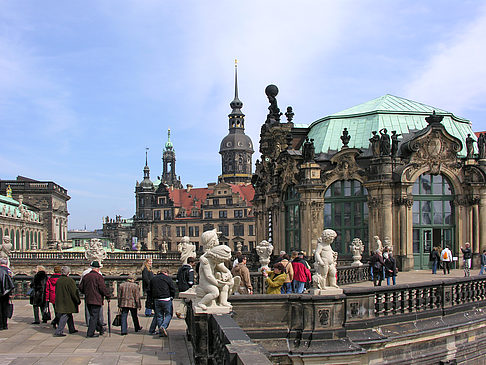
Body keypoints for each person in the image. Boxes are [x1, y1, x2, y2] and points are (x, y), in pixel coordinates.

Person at [79, 261, 110, 338]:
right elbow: (102, 288)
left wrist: (86, 292)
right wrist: (107, 296)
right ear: (98, 268)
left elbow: (80, 287)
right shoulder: (99, 277)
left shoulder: (86, 276)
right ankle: (90, 333)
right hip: (96, 299)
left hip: (88, 298)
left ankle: (100, 329)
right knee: (94, 316)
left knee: (93, 315)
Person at [148, 268, 176, 337]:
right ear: (166, 272)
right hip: (166, 299)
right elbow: (172, 288)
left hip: (157, 299)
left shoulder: (153, 279)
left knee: (159, 316)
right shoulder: (167, 278)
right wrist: (172, 296)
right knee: (168, 314)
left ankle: (161, 332)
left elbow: (149, 290)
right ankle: (163, 326)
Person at [53, 266, 80, 337]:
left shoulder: (59, 280)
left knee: (69, 314)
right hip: (68, 301)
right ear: (68, 273)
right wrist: (77, 300)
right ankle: (59, 331)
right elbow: (73, 292)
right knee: (65, 315)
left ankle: (72, 328)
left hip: (60, 300)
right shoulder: (70, 280)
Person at [0, 258, 14, 330]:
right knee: (5, 308)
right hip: (6, 292)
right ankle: (5, 324)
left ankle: (1, 324)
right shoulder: (8, 271)